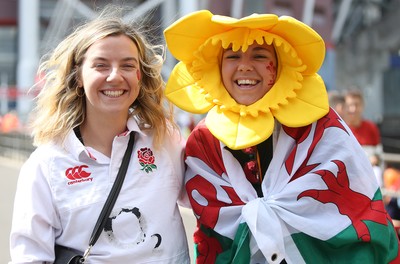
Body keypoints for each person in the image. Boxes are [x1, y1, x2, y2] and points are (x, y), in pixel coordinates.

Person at [164, 10, 399, 263]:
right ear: (216, 67)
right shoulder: (204, 140)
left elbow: (358, 205)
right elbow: (212, 229)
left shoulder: (320, 124)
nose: (244, 65)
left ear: (281, 64)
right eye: (232, 56)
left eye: (259, 55)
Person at [9, 6, 190, 264]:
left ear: (139, 76)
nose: (115, 76)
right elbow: (30, 257)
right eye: (101, 66)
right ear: (79, 77)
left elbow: (211, 197)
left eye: (128, 65)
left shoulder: (166, 140)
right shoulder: (46, 165)